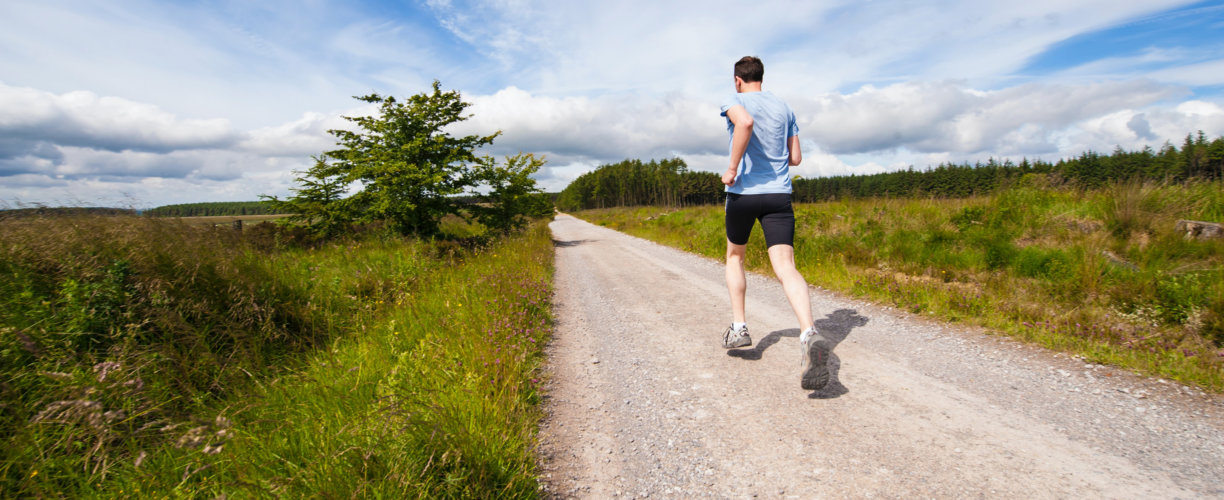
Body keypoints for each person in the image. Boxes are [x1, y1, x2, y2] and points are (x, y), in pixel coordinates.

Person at [718, 56, 829, 390]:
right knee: (786, 266)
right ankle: (809, 332)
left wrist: (733, 168)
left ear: (738, 80)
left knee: (735, 256)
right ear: (761, 78)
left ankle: (739, 328)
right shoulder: (784, 107)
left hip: (743, 194)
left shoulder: (733, 100)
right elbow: (795, 158)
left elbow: (745, 123)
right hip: (779, 196)